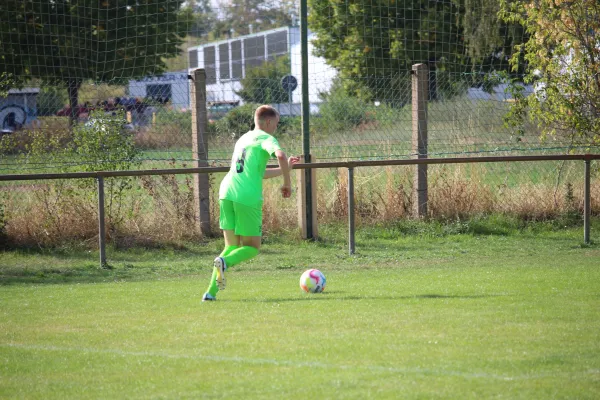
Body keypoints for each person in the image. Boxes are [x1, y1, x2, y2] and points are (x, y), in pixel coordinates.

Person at [202, 105, 299, 301]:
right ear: (269, 122)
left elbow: (259, 173)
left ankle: (210, 293)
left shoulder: (244, 138)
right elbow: (279, 155)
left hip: (226, 192)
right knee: (252, 247)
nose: (276, 129)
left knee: (230, 247)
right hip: (246, 197)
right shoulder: (267, 138)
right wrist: (287, 183)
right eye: (277, 124)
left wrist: (286, 169)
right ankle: (224, 262)